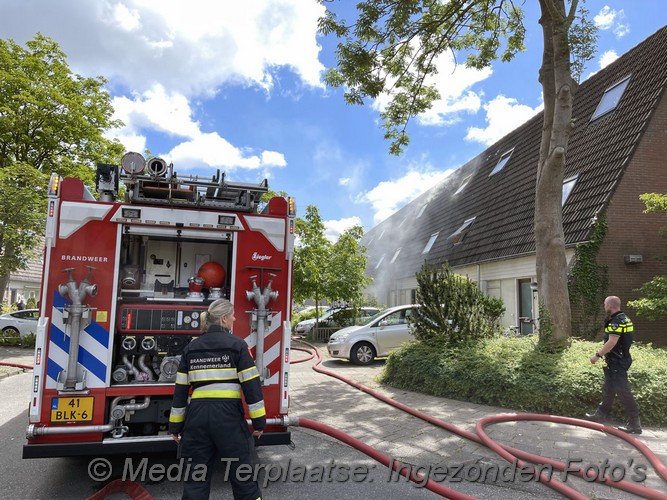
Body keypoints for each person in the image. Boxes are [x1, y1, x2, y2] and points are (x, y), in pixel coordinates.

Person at [169, 299, 266, 499]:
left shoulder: (191, 348)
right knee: (243, 476)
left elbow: (180, 392)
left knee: (196, 479)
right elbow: (252, 387)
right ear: (223, 319)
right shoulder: (238, 345)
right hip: (228, 418)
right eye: (232, 315)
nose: (235, 318)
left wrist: (175, 428)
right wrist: (259, 422)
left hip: (196, 419)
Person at [586, 296, 642, 434]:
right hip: (618, 360)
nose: (604, 306)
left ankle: (635, 423)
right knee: (609, 388)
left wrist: (597, 356)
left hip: (617, 361)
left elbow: (611, 342)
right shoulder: (625, 318)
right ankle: (601, 414)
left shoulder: (616, 322)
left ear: (610, 306)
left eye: (605, 304)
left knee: (623, 391)